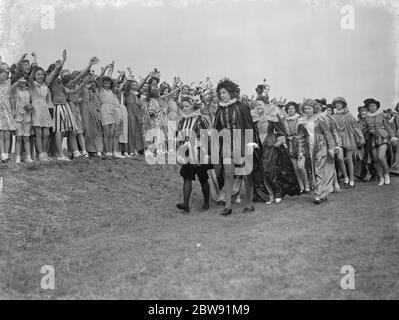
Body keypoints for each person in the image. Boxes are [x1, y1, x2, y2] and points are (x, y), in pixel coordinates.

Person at [211, 78, 260, 216]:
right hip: (227, 145)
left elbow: (249, 125)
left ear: (231, 92)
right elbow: (216, 129)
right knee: (228, 174)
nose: (221, 95)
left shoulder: (242, 107)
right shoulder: (220, 110)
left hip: (242, 143)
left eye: (224, 92)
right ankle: (227, 206)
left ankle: (249, 204)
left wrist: (251, 143)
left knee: (245, 174)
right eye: (220, 93)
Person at [252, 97, 300, 204]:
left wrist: (280, 140)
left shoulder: (273, 115)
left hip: (270, 144)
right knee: (261, 170)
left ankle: (278, 191)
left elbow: (281, 131)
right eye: (256, 105)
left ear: (266, 105)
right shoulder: (253, 117)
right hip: (258, 145)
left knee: (269, 169)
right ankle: (269, 194)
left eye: (260, 104)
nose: (258, 107)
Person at [176, 95, 211, 213]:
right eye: (183, 107)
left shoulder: (202, 119)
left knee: (203, 178)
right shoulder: (182, 121)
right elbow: (179, 137)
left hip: (199, 150)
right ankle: (186, 204)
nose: (185, 108)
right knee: (186, 177)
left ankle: (206, 202)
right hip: (186, 151)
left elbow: (209, 136)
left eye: (187, 106)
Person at [298, 99, 335, 204]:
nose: (307, 110)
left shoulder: (320, 119)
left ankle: (318, 194)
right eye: (305, 108)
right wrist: (300, 151)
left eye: (309, 108)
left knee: (319, 169)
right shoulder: (302, 121)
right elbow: (300, 137)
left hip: (320, 145)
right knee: (315, 170)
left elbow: (327, 133)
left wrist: (331, 148)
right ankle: (323, 192)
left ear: (314, 108)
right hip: (309, 147)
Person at [363, 98, 398, 186]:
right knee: (375, 159)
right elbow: (365, 128)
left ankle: (386, 174)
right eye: (370, 106)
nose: (372, 107)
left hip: (383, 137)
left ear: (377, 106)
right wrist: (367, 131)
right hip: (372, 139)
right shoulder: (366, 116)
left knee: (381, 156)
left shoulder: (382, 115)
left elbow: (387, 127)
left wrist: (393, 137)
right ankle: (381, 178)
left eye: (373, 106)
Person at [331, 97, 365, 188]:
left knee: (349, 159)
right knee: (340, 159)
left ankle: (351, 180)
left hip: (349, 138)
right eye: (336, 103)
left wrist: (360, 138)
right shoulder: (333, 116)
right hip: (338, 140)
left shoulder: (349, 115)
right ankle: (346, 177)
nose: (338, 105)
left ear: (343, 104)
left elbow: (356, 128)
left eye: (340, 103)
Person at [282, 101, 310, 193]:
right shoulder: (284, 120)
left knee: (301, 166)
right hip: (290, 145)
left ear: (295, 109)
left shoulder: (300, 119)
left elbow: (303, 134)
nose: (290, 110)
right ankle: (301, 187)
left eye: (292, 108)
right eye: (288, 109)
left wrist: (301, 149)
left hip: (299, 144)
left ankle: (307, 184)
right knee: (295, 169)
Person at [11, 78, 33, 163]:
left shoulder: (29, 91)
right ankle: (18, 157)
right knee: (19, 137)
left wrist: (30, 106)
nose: (23, 83)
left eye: (24, 82)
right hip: (18, 115)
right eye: (21, 82)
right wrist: (17, 81)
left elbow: (32, 102)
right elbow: (12, 87)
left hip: (27, 115)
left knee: (27, 137)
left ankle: (28, 156)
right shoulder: (15, 91)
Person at [0, 66, 16, 163]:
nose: (3, 75)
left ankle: (6, 154)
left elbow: (14, 68)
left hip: (7, 110)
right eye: (1, 74)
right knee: (1, 134)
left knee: (7, 134)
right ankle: (2, 154)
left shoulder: (9, 82)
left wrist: (13, 109)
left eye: (5, 74)